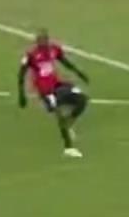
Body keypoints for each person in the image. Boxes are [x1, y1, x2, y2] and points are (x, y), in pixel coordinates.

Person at [18, 29, 89, 158]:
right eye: (40, 41)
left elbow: (65, 62)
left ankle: (70, 122)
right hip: (46, 91)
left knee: (82, 99)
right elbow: (21, 74)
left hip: (58, 85)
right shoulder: (31, 55)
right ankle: (69, 148)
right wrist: (21, 95)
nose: (43, 43)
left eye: (44, 40)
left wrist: (79, 73)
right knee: (59, 113)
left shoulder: (53, 50)